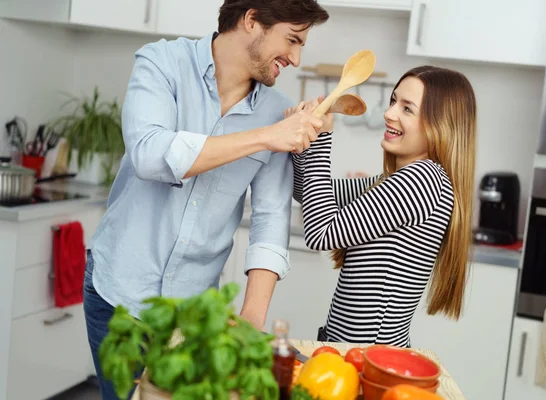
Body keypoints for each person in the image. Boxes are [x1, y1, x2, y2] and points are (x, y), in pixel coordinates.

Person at [83, 1, 329, 398]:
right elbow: (149, 154)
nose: (297, 58)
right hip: (118, 296)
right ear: (252, 20)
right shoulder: (162, 62)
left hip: (193, 316)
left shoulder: (273, 110)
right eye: (292, 40)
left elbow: (270, 217)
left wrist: (253, 316)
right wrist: (267, 136)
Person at [288, 65, 477, 347]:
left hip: (367, 355)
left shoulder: (422, 181)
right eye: (393, 101)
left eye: (407, 109)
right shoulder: (397, 180)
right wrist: (304, 141)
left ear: (440, 125)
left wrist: (324, 138)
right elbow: (306, 192)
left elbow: (320, 233)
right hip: (354, 348)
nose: (389, 114)